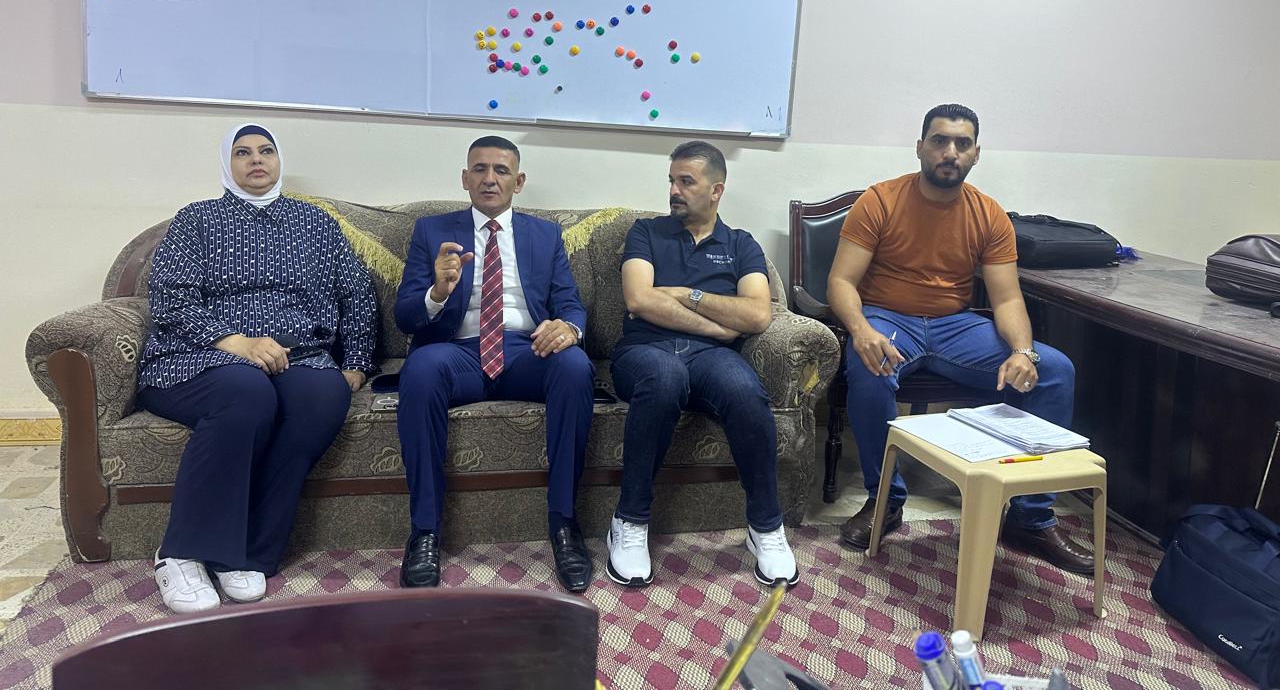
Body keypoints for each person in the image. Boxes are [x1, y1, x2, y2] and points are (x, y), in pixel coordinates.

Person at [827, 104, 1093, 574]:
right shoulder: (880, 200)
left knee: (1055, 369)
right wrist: (862, 331)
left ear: (975, 154)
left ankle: (1031, 518)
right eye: (939, 141)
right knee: (870, 368)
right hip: (889, 317)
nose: (950, 152)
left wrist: (1022, 351)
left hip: (956, 325)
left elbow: (1006, 298)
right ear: (920, 147)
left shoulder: (989, 214)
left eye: (962, 143)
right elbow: (841, 282)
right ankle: (885, 501)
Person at [137, 123, 376, 613]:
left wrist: (355, 361)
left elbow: (356, 291)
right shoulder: (198, 220)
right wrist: (235, 343)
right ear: (228, 164)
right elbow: (170, 298)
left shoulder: (316, 223)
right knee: (248, 392)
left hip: (297, 356)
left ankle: (245, 552)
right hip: (203, 354)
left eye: (266, 151)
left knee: (323, 397)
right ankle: (180, 552)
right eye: (242, 153)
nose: (256, 160)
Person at [393, 136, 595, 592]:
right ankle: (425, 531)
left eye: (501, 170)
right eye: (479, 169)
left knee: (575, 367)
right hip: (458, 352)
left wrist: (569, 328)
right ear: (464, 178)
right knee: (420, 370)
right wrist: (436, 294)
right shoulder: (431, 231)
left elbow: (570, 303)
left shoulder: (546, 235)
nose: (489, 179)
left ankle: (564, 525)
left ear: (518, 181)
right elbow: (404, 316)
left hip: (526, 351)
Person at [606, 141, 799, 590]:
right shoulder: (645, 232)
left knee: (746, 392)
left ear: (716, 190)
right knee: (666, 377)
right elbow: (639, 300)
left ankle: (766, 526)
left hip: (712, 359)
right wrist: (717, 325)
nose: (674, 190)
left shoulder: (741, 244)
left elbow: (758, 315)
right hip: (645, 351)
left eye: (686, 181)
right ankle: (629, 521)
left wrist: (684, 294)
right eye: (671, 180)